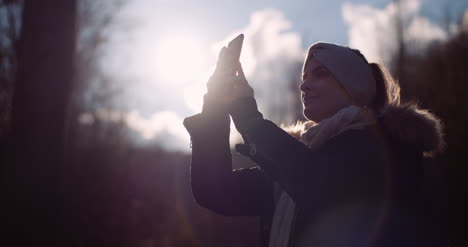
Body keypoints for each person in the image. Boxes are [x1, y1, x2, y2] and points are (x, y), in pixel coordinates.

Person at [183, 41, 445, 247]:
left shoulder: (386, 147)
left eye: (320, 74)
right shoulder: (296, 160)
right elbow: (214, 189)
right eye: (305, 76)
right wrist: (215, 105)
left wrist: (247, 116)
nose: (304, 85)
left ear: (354, 86)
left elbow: (321, 187)